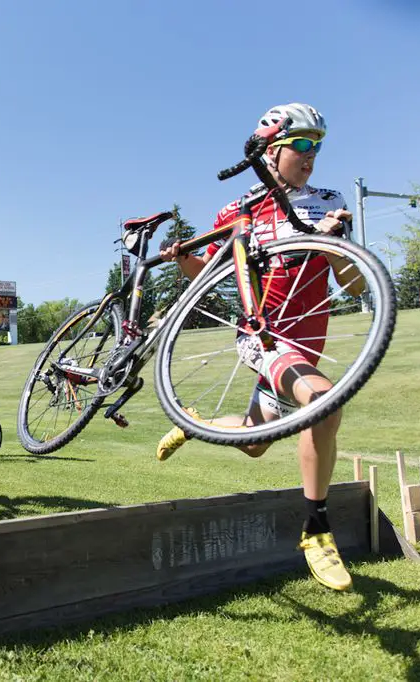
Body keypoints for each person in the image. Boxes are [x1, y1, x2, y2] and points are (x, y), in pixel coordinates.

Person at [154, 103, 366, 592]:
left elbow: (353, 286)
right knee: (324, 403)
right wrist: (182, 257)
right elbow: (207, 277)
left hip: (307, 345)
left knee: (253, 443)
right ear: (271, 150)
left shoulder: (327, 201)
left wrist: (335, 243)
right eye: (303, 145)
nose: (312, 156)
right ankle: (316, 530)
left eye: (319, 146)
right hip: (263, 337)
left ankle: (195, 421)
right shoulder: (239, 210)